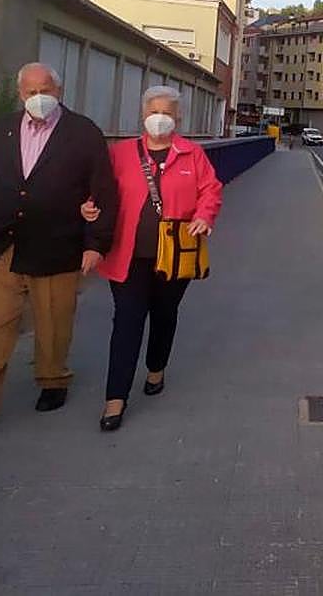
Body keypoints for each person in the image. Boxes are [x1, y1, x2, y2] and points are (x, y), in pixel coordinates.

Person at [0, 62, 118, 437]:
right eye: (30, 91)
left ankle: (53, 378)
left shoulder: (83, 133)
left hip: (57, 244)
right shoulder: (1, 128)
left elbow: (103, 191)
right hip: (1, 242)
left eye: (45, 90)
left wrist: (96, 243)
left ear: (59, 92)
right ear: (20, 93)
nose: (38, 98)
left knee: (53, 321)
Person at [85, 85, 222, 431]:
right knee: (127, 322)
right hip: (128, 256)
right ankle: (115, 399)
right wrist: (88, 207)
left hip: (175, 256)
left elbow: (211, 190)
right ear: (142, 115)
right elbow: (98, 192)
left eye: (165, 113)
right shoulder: (120, 154)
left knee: (164, 315)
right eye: (152, 112)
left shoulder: (192, 154)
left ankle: (156, 367)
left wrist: (204, 216)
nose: (158, 119)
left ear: (177, 118)